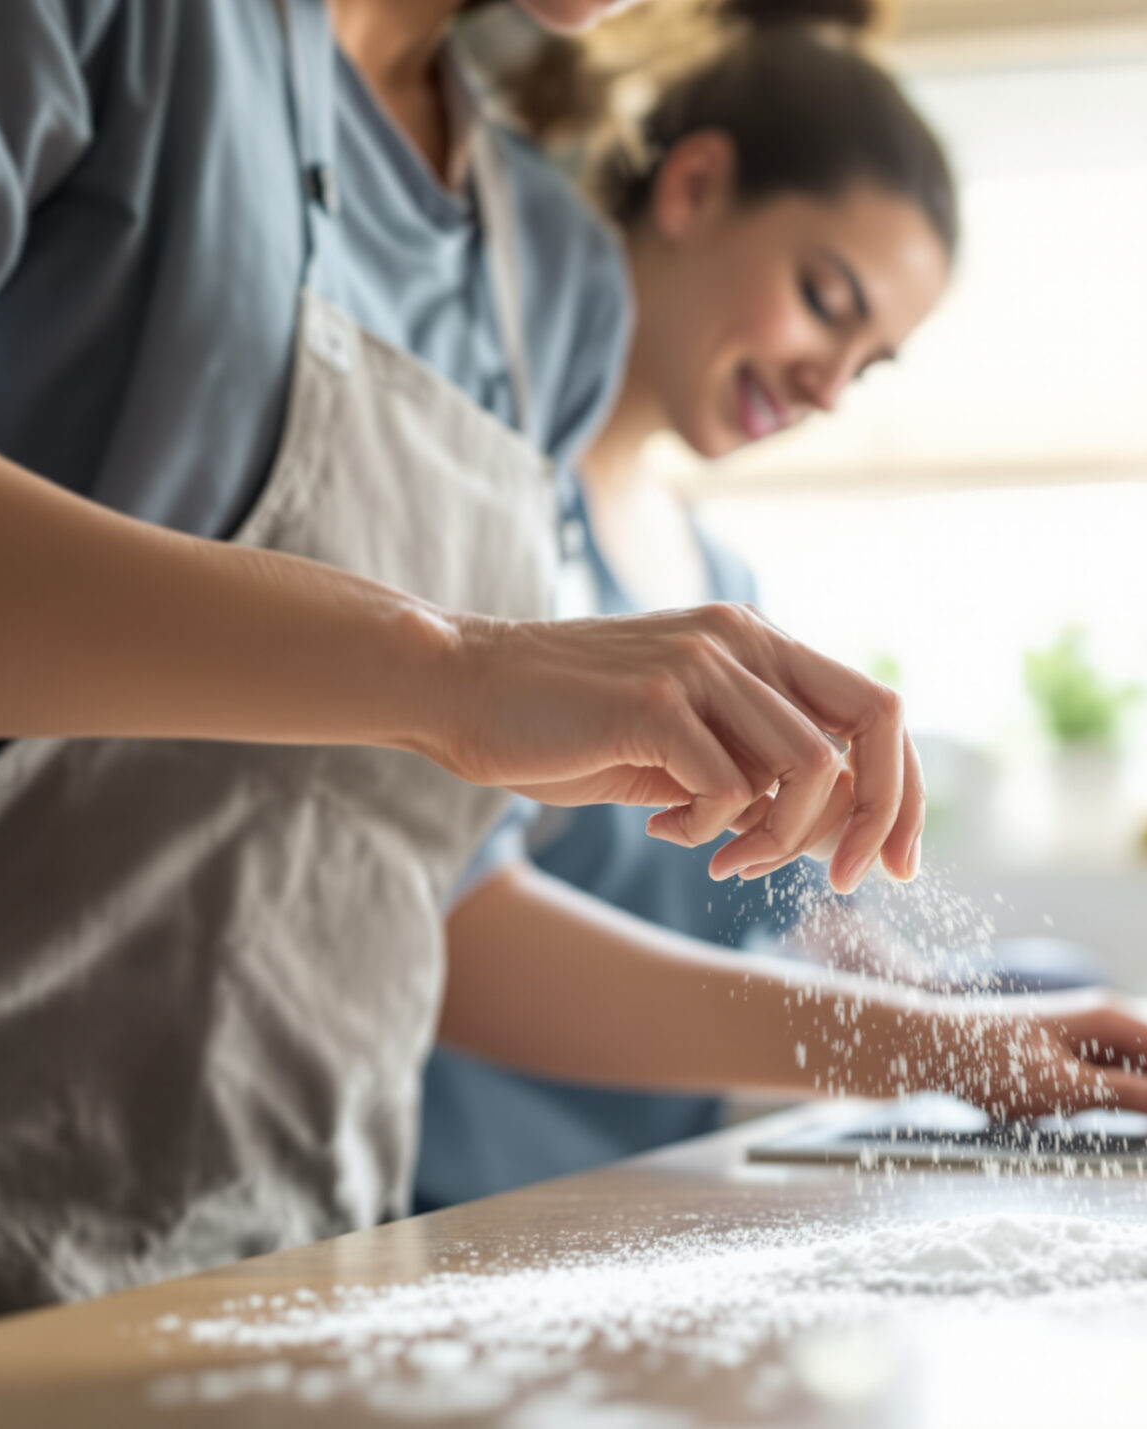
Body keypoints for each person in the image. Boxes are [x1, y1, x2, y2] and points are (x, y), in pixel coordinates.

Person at [0, 0, 1147, 1420]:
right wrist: (447, 670)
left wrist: (936, 1054)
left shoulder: (546, 275)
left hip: (277, 1294)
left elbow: (422, 908)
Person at [416, 0, 959, 1211]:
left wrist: (958, 1015)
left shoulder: (722, 585)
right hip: (444, 1215)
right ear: (694, 188)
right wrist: (915, 1046)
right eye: (825, 300)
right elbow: (433, 922)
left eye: (867, 362)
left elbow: (776, 917)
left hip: (637, 1219)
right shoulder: (476, 501)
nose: (829, 386)